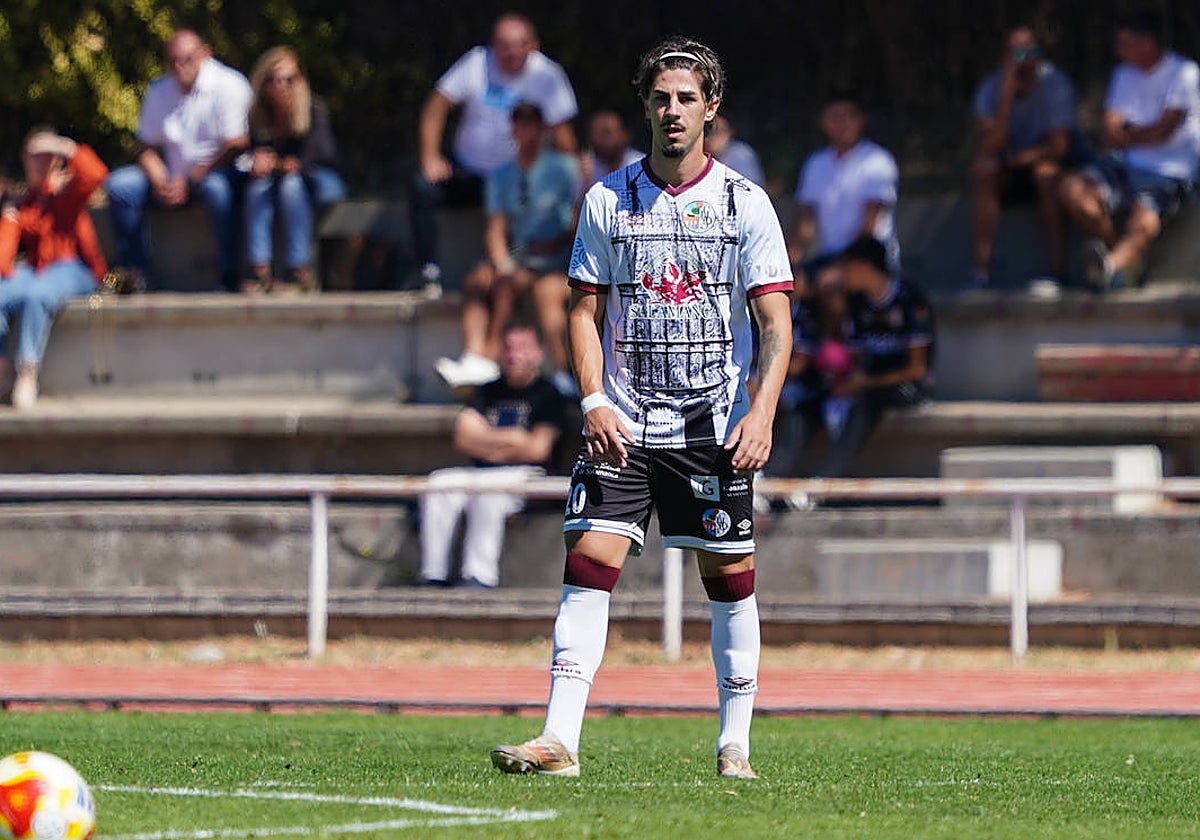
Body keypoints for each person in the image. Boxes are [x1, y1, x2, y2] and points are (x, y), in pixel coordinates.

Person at [489, 37, 793, 781]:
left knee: (729, 581)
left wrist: (762, 413)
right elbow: (582, 311)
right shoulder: (606, 198)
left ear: (712, 109)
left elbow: (777, 325)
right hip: (622, 423)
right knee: (588, 566)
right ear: (645, 107)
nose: (673, 111)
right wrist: (592, 398)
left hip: (711, 428)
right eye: (661, 98)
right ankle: (560, 740)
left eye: (688, 98)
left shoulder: (745, 203)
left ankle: (735, 746)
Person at [410, 13, 578, 294]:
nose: (511, 51)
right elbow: (436, 106)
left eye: (518, 44)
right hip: (470, 171)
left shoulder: (548, 75)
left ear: (533, 46)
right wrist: (430, 156)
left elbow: (563, 135)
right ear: (492, 46)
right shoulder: (476, 63)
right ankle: (427, 271)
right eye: (503, 44)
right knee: (422, 187)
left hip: (519, 179)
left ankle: (514, 271)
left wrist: (572, 180)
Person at [435, 102, 580, 395]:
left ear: (542, 130)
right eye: (520, 125)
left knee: (507, 283)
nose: (526, 132)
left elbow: (576, 223)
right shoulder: (500, 175)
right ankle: (474, 353)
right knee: (479, 280)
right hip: (520, 255)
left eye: (531, 126)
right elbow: (496, 227)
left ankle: (488, 357)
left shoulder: (566, 169)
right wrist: (501, 261)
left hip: (556, 257)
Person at [1058, 9, 1200, 291]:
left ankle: (1109, 266)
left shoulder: (1184, 72)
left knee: (1144, 221)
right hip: (1124, 164)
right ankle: (1121, 259)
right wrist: (1137, 134)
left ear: (1147, 42)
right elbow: (1110, 131)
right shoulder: (1124, 74)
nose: (1118, 50)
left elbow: (1163, 132)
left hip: (1169, 171)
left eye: (1124, 43)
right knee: (1071, 190)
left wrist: (1129, 132)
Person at [420, 322, 567, 588]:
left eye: (522, 348)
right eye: (509, 348)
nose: (514, 355)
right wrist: (512, 439)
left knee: (488, 495)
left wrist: (486, 440)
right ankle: (433, 574)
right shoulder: (487, 390)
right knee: (438, 483)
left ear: (538, 353)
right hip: (482, 472)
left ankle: (478, 576)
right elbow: (464, 437)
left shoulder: (548, 394)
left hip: (529, 477)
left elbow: (538, 448)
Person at [105, 29, 253, 292]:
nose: (178, 67)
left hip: (217, 173)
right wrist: (160, 179)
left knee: (218, 190)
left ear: (205, 55)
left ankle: (228, 275)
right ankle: (137, 275)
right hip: (174, 177)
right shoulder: (159, 90)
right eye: (172, 61)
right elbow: (145, 147)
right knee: (120, 185)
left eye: (186, 59)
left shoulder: (229, 85)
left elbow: (237, 144)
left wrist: (191, 178)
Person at [0, 129, 108, 409]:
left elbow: (95, 174)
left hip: (75, 269)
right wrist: (8, 218)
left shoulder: (67, 192)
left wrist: (64, 146)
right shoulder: (24, 203)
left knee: (38, 294)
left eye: (46, 157)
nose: (38, 163)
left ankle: (27, 371)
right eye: (33, 157)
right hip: (37, 269)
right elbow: (4, 260)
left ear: (57, 160)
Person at [817, 236, 934, 479]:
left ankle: (823, 482)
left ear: (864, 267)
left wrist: (864, 383)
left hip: (906, 386)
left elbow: (917, 370)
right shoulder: (857, 302)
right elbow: (852, 350)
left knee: (865, 403)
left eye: (846, 268)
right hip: (868, 379)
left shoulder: (909, 300)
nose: (842, 275)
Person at [971, 26, 1079, 287]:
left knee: (1045, 175)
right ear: (1004, 59)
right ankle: (981, 272)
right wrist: (1006, 98)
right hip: (1008, 166)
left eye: (1033, 52)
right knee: (984, 172)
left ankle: (1058, 270)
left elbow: (1059, 147)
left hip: (1044, 163)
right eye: (1019, 54)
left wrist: (1014, 159)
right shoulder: (989, 90)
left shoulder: (1056, 85)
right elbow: (991, 145)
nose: (1027, 60)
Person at [242, 46, 347, 294]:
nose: (281, 86)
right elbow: (256, 155)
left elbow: (315, 158)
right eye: (273, 80)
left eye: (288, 79)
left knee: (292, 185)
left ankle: (299, 271)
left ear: (300, 80)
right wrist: (256, 162)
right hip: (283, 180)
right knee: (257, 187)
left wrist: (277, 164)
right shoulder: (258, 115)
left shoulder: (314, 110)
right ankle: (259, 270)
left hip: (322, 179)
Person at [790, 91, 899, 290]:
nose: (841, 124)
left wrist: (841, 263)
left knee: (832, 285)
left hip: (870, 256)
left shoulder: (878, 161)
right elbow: (805, 223)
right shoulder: (815, 164)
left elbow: (870, 225)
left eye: (847, 117)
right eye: (834, 117)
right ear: (823, 122)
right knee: (789, 288)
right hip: (829, 257)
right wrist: (788, 262)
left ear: (860, 121)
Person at [579, 109, 644, 189]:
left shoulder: (642, 167)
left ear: (624, 135)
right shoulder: (587, 169)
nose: (598, 139)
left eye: (606, 133)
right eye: (595, 133)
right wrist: (585, 183)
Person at [705, 114, 765, 187]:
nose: (712, 137)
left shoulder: (741, 155)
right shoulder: (704, 156)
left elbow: (749, 188)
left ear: (729, 133)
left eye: (718, 132)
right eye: (708, 132)